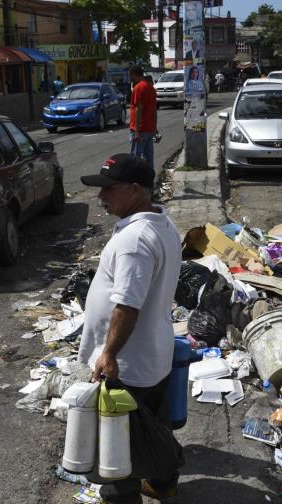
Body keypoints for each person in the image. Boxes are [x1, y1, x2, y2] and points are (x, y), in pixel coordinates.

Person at [79, 153, 183, 504]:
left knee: (116, 452)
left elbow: (126, 305)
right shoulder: (162, 223)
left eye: (109, 189)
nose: (101, 196)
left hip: (128, 364)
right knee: (154, 429)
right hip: (153, 354)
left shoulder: (134, 241)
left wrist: (107, 353)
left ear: (136, 189)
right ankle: (164, 484)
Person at [128, 65, 157, 171]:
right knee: (149, 158)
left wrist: (136, 131)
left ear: (134, 74)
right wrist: (155, 127)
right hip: (149, 128)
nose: (129, 78)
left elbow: (138, 110)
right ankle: (149, 182)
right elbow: (154, 110)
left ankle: (136, 183)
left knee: (135, 159)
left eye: (130, 75)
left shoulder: (138, 88)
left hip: (140, 130)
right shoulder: (151, 88)